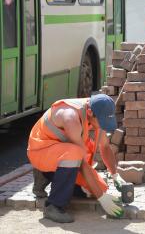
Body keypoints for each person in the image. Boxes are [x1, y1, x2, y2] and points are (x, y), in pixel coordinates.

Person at [27, 94, 127, 223]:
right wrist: (102, 198)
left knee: (98, 188)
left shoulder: (96, 110)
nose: (102, 125)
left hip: (59, 154)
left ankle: (52, 178)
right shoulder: (70, 118)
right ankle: (53, 205)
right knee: (75, 153)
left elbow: (105, 147)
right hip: (40, 152)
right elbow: (81, 163)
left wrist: (115, 175)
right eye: (101, 122)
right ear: (90, 112)